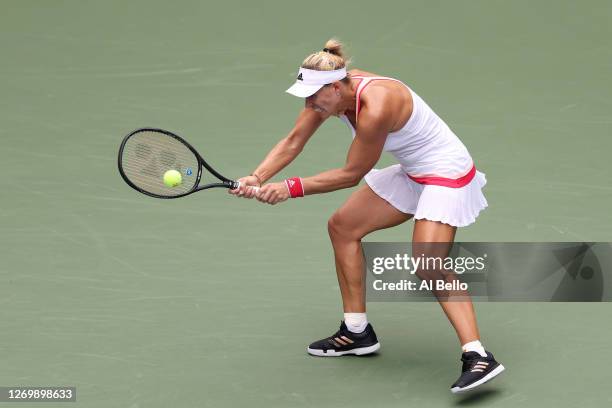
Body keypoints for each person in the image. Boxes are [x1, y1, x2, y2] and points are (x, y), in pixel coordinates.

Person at [230, 38, 504, 393]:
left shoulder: (377, 105)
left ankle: (478, 355)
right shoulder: (329, 94)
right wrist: (258, 176)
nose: (310, 104)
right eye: (306, 96)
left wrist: (290, 188)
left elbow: (351, 173)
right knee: (342, 228)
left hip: (446, 173)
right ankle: (356, 331)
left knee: (429, 262)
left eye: (315, 96)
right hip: (413, 172)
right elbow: (293, 141)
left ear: (335, 86)